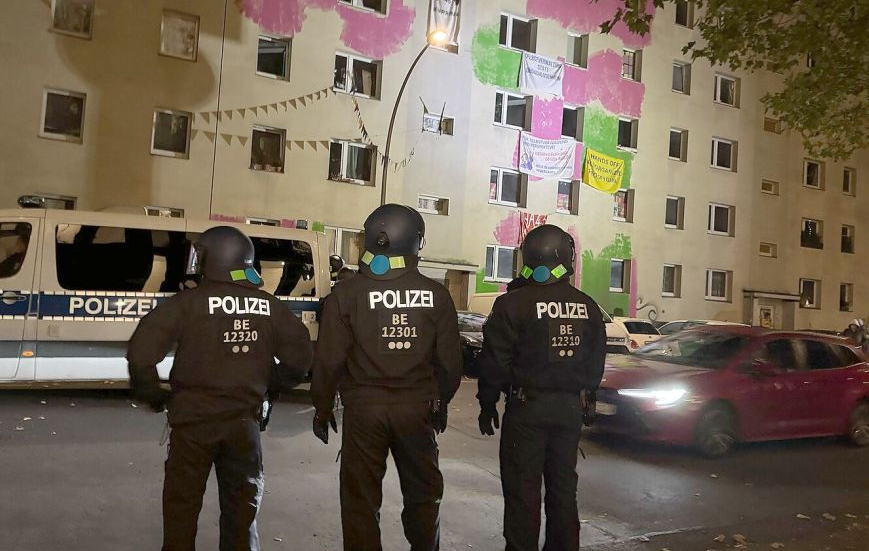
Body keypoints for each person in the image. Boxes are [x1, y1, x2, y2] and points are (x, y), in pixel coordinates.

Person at [126, 226, 313, 551]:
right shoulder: (268, 307)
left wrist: (154, 395)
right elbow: (300, 360)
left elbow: (141, 353)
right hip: (244, 426)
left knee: (181, 512)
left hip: (192, 425)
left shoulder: (187, 303)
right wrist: (270, 385)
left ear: (211, 261)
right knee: (242, 515)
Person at [310, 203, 462, 551]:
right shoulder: (436, 296)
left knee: (360, 502)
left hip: (364, 413)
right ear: (415, 242)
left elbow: (328, 360)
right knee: (423, 498)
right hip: (417, 409)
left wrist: (322, 407)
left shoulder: (345, 295)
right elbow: (451, 364)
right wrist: (440, 401)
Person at [477, 224, 607, 551]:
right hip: (568, 411)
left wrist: (487, 403)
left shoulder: (512, 305)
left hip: (527, 409)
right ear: (567, 259)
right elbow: (595, 359)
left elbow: (495, 362)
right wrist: (589, 397)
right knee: (564, 489)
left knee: (523, 491)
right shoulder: (587, 306)